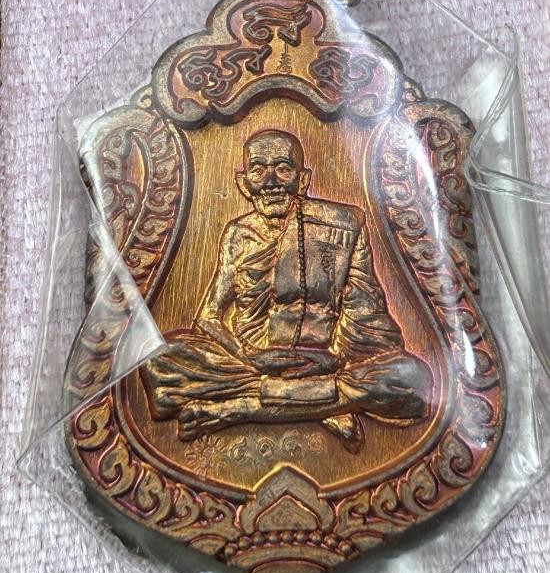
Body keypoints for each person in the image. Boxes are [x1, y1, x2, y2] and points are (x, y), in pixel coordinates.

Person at [142, 129, 431, 451]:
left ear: (302, 179)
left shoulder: (342, 226)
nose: (270, 182)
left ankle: (238, 410)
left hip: (323, 360)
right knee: (159, 358)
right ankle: (329, 403)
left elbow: (366, 313)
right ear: (243, 182)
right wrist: (251, 355)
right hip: (249, 363)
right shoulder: (238, 234)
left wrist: (334, 359)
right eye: (258, 170)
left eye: (283, 168)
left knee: (410, 378)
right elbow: (208, 317)